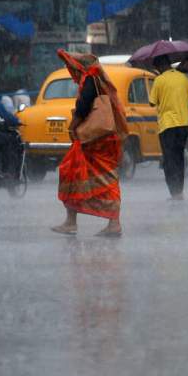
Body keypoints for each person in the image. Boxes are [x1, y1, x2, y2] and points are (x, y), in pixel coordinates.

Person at [52, 50, 128, 237]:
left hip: (94, 140)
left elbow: (83, 107)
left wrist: (72, 126)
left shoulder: (90, 80)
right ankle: (99, 222)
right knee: (98, 177)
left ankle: (81, 222)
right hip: (99, 140)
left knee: (73, 173)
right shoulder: (97, 80)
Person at [148, 54, 188, 200]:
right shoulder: (183, 78)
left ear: (161, 66)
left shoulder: (159, 80)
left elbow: (152, 102)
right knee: (179, 157)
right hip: (183, 125)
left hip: (167, 125)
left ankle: (174, 192)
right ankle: (179, 191)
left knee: (169, 159)